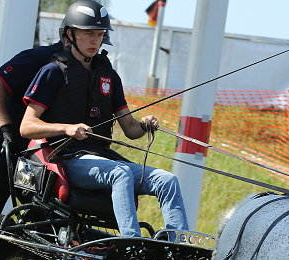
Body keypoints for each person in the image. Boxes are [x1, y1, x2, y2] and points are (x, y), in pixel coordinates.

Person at [20, 0, 189, 239]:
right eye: (88, 33)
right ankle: (132, 243)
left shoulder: (110, 76)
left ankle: (178, 246)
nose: (95, 40)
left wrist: (144, 125)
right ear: (70, 33)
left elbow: (130, 128)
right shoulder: (53, 72)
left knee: (167, 180)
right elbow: (26, 127)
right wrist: (68, 129)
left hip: (103, 160)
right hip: (66, 159)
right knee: (120, 173)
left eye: (100, 34)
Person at [0, 33, 95, 211]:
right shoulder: (39, 58)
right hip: (0, 149)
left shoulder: (87, 71)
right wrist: (7, 129)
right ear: (68, 39)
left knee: (36, 228)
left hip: (37, 159)